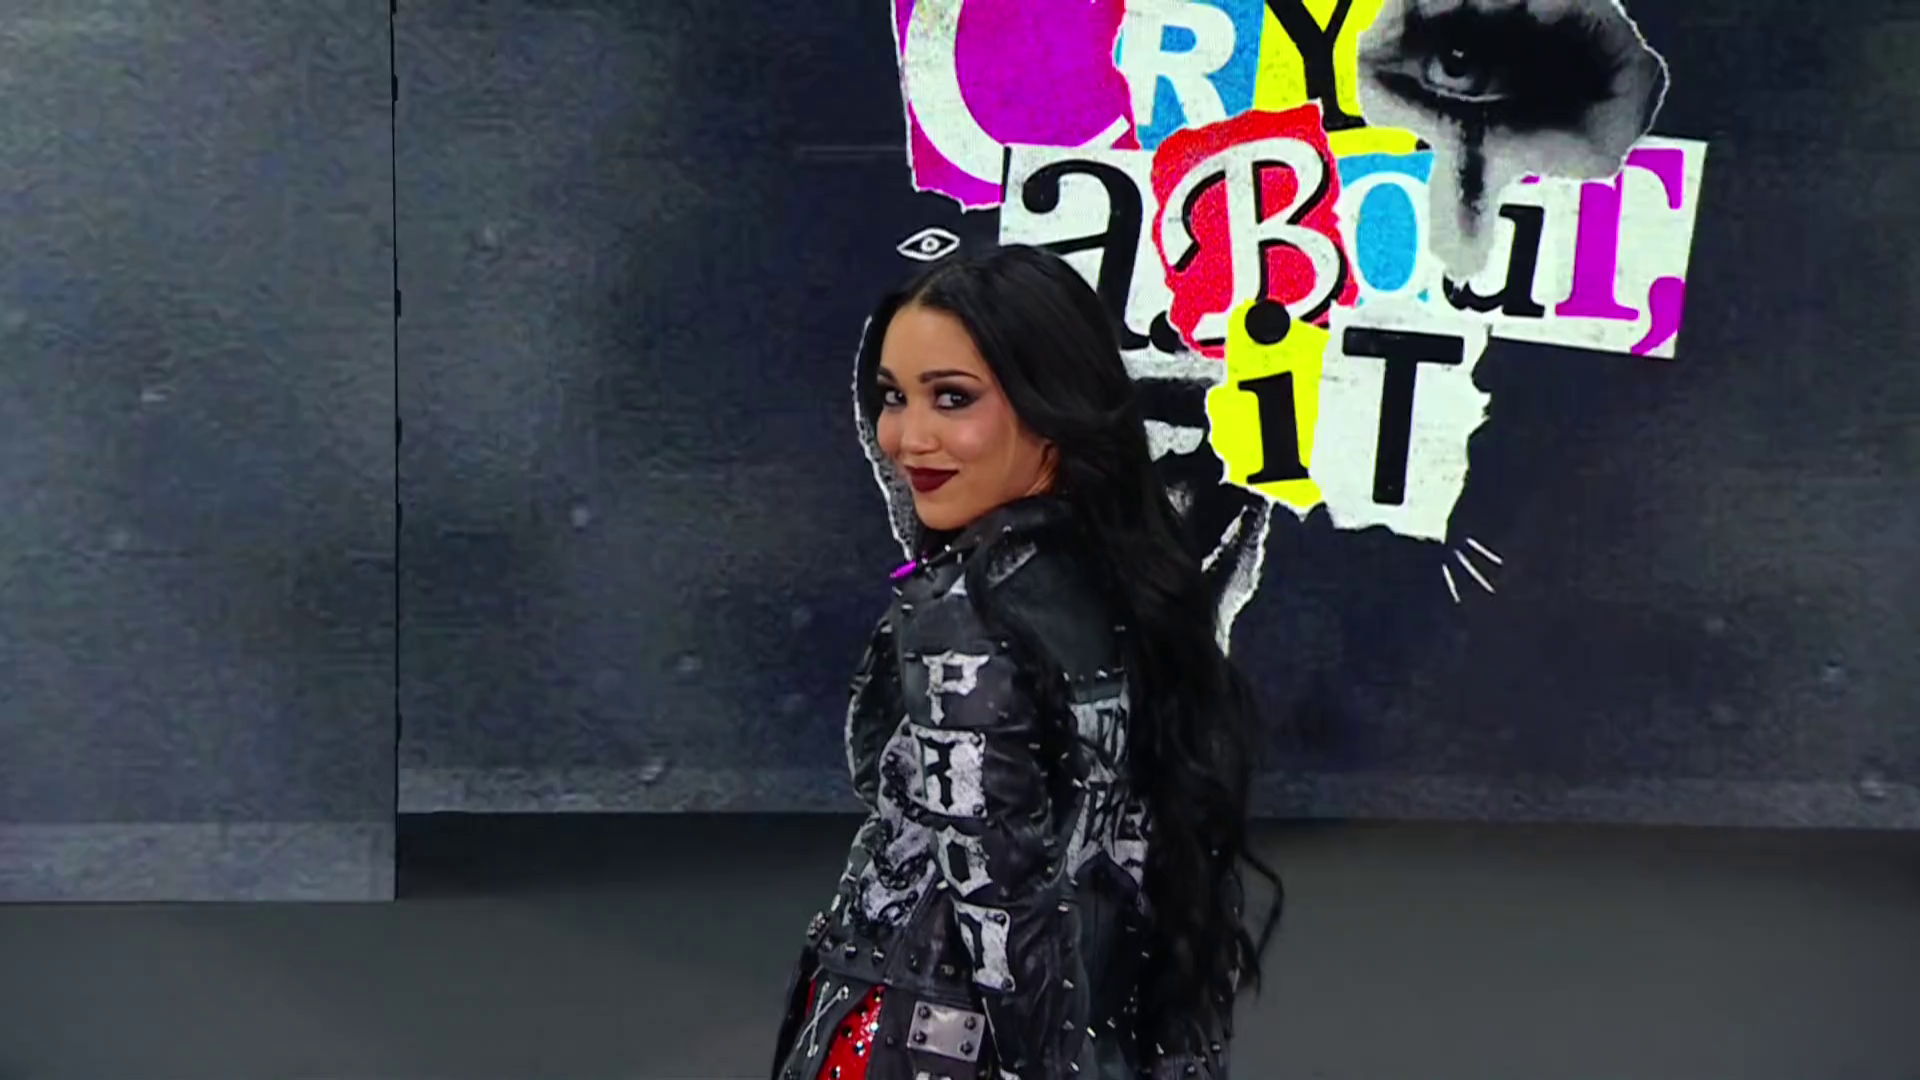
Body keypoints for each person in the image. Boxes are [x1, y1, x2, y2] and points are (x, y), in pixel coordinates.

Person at [769, 245, 1281, 1080]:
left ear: (1055, 404)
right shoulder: (1143, 582)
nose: (907, 438)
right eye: (893, 397)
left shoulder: (967, 615)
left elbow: (1004, 918)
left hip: (940, 1042)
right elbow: (1169, 889)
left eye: (952, 397)